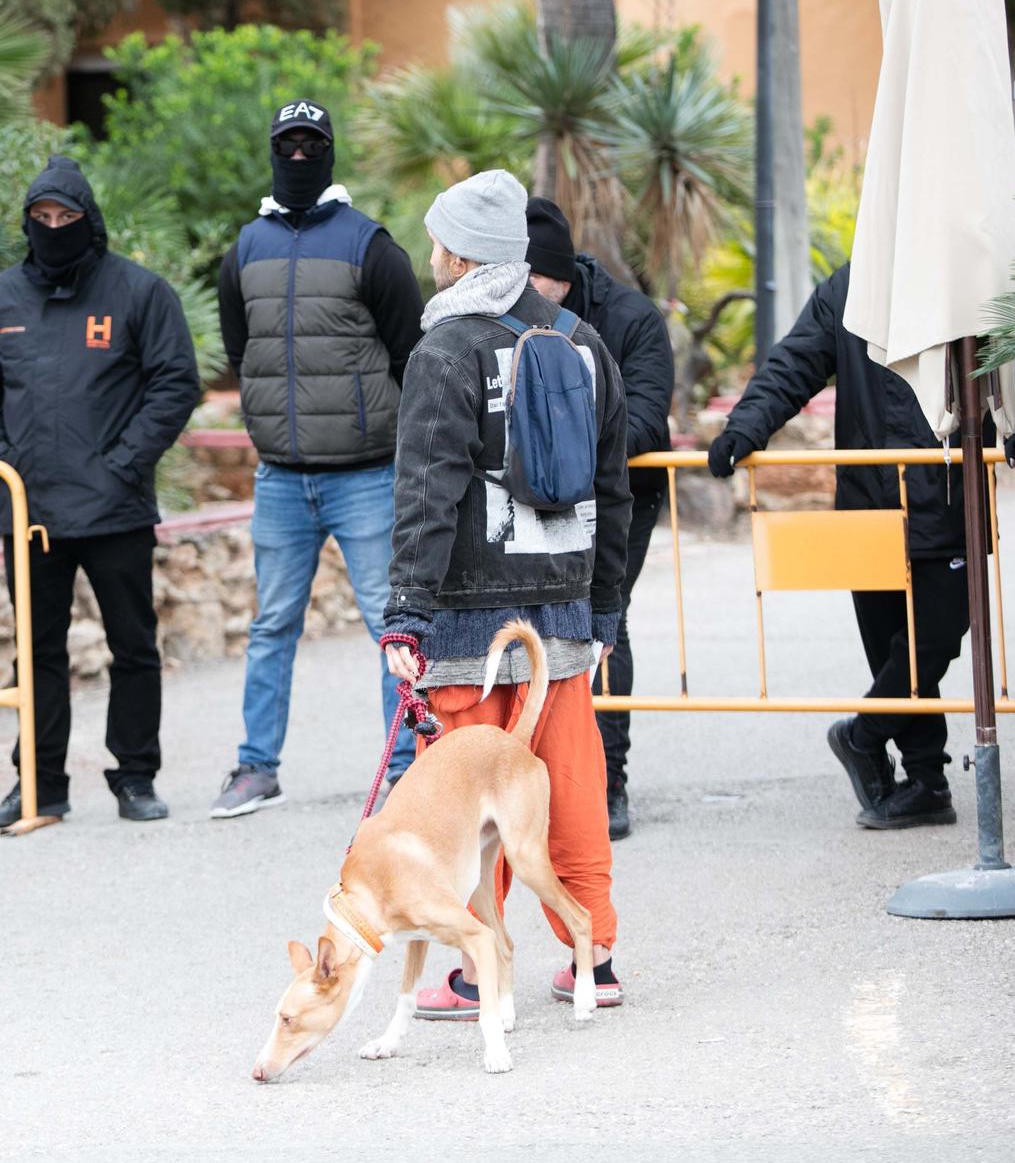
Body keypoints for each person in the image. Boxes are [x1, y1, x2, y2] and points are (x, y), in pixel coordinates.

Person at [378, 169, 633, 1021]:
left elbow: (426, 494)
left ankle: (472, 973)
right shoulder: (583, 343)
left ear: (456, 254)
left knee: (467, 806)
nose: (430, 254)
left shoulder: (444, 350)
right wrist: (606, 612)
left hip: (468, 622)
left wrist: (406, 616)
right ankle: (593, 958)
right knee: (571, 786)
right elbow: (612, 491)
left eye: (436, 241)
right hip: (559, 615)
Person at [707, 262, 1015, 829]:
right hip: (868, 501)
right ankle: (926, 782)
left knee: (936, 636)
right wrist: (746, 427)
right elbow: (794, 363)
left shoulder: (960, 267)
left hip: (945, 495)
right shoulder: (849, 286)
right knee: (893, 644)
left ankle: (863, 737)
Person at [0, 155, 201, 827]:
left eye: (66, 217)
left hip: (114, 505)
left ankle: (136, 776)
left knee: (133, 644)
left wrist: (125, 461)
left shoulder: (138, 292)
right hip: (29, 511)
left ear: (90, 222)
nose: (54, 228)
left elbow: (175, 382)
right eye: (42, 218)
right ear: (27, 222)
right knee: (36, 652)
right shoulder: (0, 297)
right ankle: (40, 783)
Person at [210, 99, 426, 818]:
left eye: (312, 144)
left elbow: (407, 354)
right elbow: (244, 354)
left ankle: (404, 770)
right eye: (287, 145)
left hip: (366, 474)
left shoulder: (371, 244)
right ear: (273, 150)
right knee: (271, 625)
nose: (299, 156)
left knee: (385, 624)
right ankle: (254, 767)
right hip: (280, 479)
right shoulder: (245, 249)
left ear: (329, 152)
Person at [524, 199, 674, 839]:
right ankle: (535, 777)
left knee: (602, 620)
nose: (524, 296)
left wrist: (558, 438)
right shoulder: (505, 314)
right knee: (531, 627)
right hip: (534, 499)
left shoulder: (632, 318)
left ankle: (609, 781)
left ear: (561, 275)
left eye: (535, 283)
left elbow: (646, 421)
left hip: (622, 499)